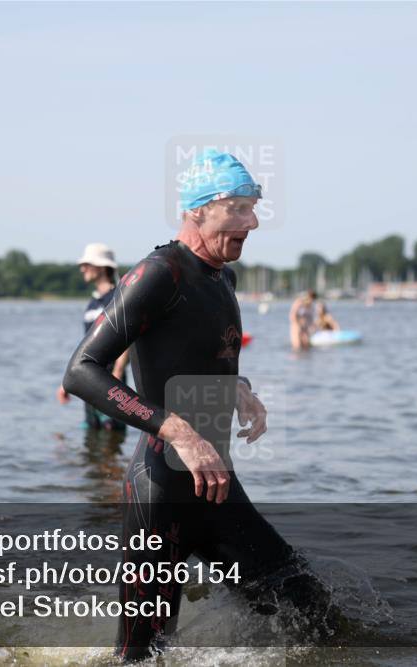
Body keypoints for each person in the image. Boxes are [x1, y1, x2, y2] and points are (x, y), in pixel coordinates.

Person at [62, 150, 338, 661]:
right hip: (160, 492)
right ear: (198, 211)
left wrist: (239, 387)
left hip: (217, 490)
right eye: (238, 209)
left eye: (254, 208)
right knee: (143, 656)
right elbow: (82, 370)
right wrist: (178, 431)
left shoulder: (222, 278)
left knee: (315, 617)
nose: (252, 221)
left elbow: (200, 353)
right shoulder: (157, 274)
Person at [57, 243, 129, 432]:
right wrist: (66, 383)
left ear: (102, 267)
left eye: (87, 264)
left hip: (111, 380)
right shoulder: (91, 305)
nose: (83, 269)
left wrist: (118, 373)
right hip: (89, 379)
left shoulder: (118, 297)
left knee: (111, 433)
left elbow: (129, 340)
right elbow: (84, 344)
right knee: (92, 433)